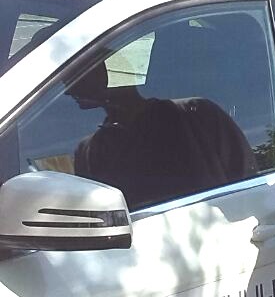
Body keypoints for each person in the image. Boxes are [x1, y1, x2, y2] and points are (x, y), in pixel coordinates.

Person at [67, 61, 256, 210]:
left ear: (110, 77)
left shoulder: (196, 115)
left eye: (74, 78)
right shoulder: (89, 150)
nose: (68, 91)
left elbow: (250, 187)